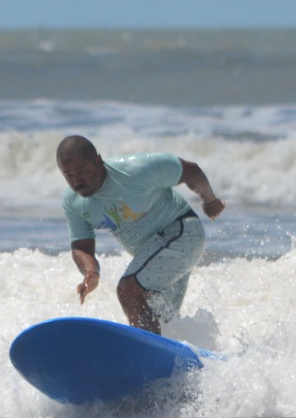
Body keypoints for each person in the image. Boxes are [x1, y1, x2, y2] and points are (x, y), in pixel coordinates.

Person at [56, 135, 225, 335]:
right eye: (68, 175)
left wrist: (210, 202)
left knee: (129, 290)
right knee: (163, 320)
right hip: (154, 255)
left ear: (98, 161)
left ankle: (146, 352)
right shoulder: (73, 202)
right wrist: (91, 272)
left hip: (183, 234)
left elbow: (191, 171)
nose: (76, 181)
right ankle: (182, 353)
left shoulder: (136, 170)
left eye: (82, 171)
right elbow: (81, 247)